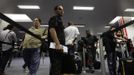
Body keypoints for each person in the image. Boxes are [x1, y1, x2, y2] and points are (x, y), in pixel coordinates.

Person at [48, 5, 67, 75]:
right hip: (56, 46)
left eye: (62, 9)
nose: (62, 11)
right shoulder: (54, 18)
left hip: (59, 46)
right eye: (60, 9)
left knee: (57, 66)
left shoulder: (59, 19)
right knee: (56, 65)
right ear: (55, 11)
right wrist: (58, 44)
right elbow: (52, 30)